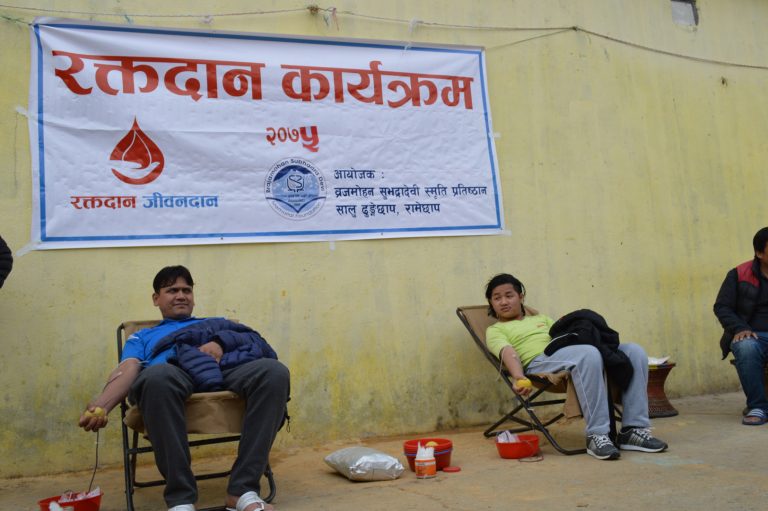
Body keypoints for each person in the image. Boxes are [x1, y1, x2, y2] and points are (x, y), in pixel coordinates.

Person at [79, 265, 290, 511]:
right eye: (172, 290)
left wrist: (220, 343)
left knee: (274, 372)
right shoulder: (142, 337)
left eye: (186, 290)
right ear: (156, 299)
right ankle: (181, 499)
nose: (181, 295)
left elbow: (252, 340)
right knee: (156, 376)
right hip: (173, 375)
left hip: (223, 371)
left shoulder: (214, 324)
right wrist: (102, 405)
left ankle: (242, 490)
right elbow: (128, 369)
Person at [484, 273, 668, 460]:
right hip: (539, 363)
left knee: (634, 351)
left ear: (521, 297)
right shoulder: (495, 330)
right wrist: (518, 377)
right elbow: (508, 353)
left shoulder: (542, 319)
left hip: (567, 353)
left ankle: (633, 430)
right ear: (491, 303)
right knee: (588, 353)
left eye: (509, 295)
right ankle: (597, 434)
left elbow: (562, 334)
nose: (503, 302)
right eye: (497, 298)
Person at [714, 226, 768, 426]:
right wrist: (739, 328)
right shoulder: (739, 274)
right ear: (759, 253)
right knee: (745, 347)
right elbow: (722, 306)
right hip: (753, 336)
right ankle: (758, 407)